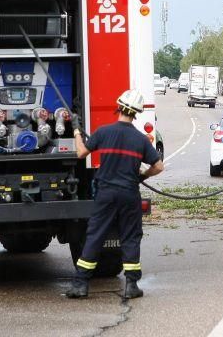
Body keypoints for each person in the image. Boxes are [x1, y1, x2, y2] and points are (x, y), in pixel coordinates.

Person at [66, 88, 165, 299]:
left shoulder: (103, 132)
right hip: (129, 194)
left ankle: (81, 284)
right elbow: (159, 166)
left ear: (118, 107)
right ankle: (131, 286)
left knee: (95, 235)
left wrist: (76, 131)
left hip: (106, 194)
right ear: (136, 113)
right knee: (130, 236)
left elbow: (82, 153)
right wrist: (143, 176)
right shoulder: (140, 140)